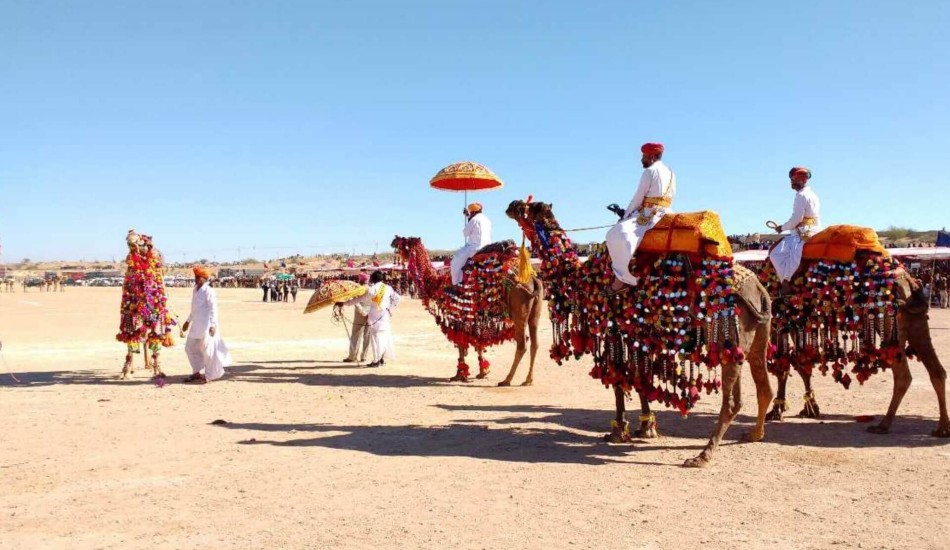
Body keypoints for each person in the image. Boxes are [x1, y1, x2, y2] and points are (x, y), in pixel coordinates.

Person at [605, 142, 676, 291]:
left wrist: (625, 216)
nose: (641, 159)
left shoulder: (649, 171)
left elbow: (638, 198)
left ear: (651, 156)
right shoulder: (671, 172)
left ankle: (622, 279)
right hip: (666, 212)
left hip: (648, 214)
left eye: (643, 156)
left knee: (615, 234)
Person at [336, 270, 400, 367]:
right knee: (384, 337)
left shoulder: (372, 289)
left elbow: (358, 299)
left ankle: (376, 360)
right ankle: (381, 359)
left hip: (374, 317)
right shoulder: (388, 288)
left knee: (375, 338)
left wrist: (344, 303)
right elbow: (397, 298)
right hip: (384, 316)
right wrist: (389, 308)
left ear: (373, 279)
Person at [767, 167, 821, 282]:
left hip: (802, 234)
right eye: (792, 180)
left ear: (803, 180)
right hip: (814, 230)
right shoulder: (813, 195)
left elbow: (797, 219)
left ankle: (786, 280)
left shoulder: (801, 196)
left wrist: (782, 228)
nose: (792, 182)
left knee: (775, 254)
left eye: (794, 179)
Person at [182, 266, 231, 383]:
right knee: (190, 348)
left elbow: (213, 308)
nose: (196, 279)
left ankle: (210, 375)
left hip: (206, 325)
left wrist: (213, 325)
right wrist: (188, 321)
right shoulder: (195, 290)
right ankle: (196, 372)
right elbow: (195, 308)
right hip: (196, 324)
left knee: (208, 351)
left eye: (198, 277)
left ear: (205, 278)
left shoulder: (209, 291)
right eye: (195, 277)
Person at [451, 202, 492, 285]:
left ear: (473, 212)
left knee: (455, 261)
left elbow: (465, 233)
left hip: (475, 248)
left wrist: (469, 218)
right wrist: (468, 216)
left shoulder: (474, 219)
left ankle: (455, 284)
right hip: (487, 246)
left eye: (471, 213)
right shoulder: (487, 220)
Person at [342, 272, 372, 363]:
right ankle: (364, 356)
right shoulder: (372, 289)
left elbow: (356, 302)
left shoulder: (359, 289)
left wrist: (363, 312)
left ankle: (352, 356)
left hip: (360, 313)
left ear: (360, 280)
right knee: (367, 335)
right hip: (371, 313)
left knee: (356, 334)